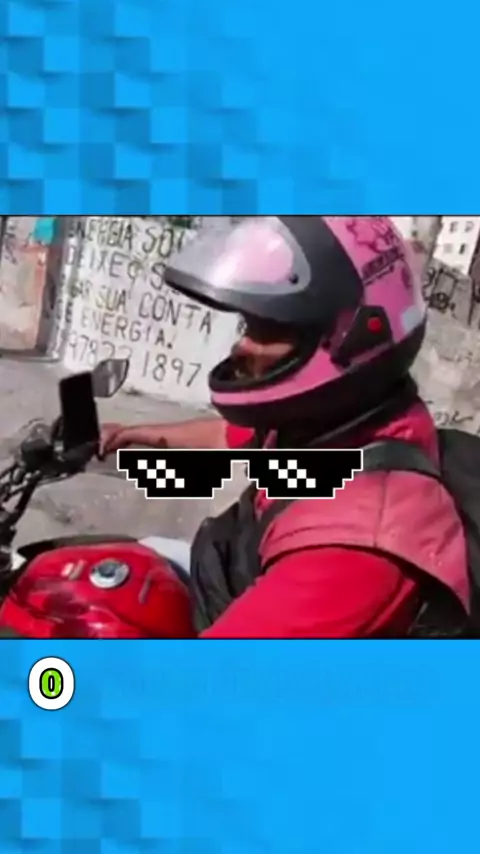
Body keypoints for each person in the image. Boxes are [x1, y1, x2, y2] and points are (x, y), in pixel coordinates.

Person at [102, 216, 470, 639]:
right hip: (231, 569)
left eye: (270, 328)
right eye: (248, 324)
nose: (241, 344)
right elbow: (229, 437)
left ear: (357, 338)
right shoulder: (341, 422)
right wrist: (136, 434)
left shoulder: (349, 555)